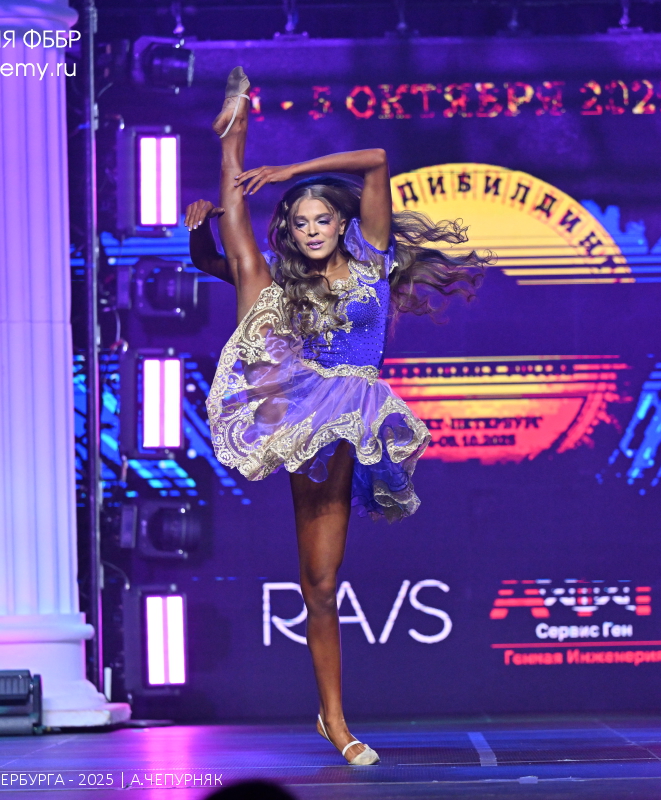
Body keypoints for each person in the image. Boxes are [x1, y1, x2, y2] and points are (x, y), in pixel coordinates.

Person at [184, 67, 488, 766]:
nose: (312, 230)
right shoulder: (285, 278)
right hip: (297, 403)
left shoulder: (372, 258)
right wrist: (202, 229)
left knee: (322, 585)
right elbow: (216, 262)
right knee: (251, 272)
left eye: (322, 219)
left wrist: (292, 171)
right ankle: (234, 130)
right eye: (300, 222)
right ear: (291, 231)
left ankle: (329, 716)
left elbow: (376, 159)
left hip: (355, 409)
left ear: (343, 223)